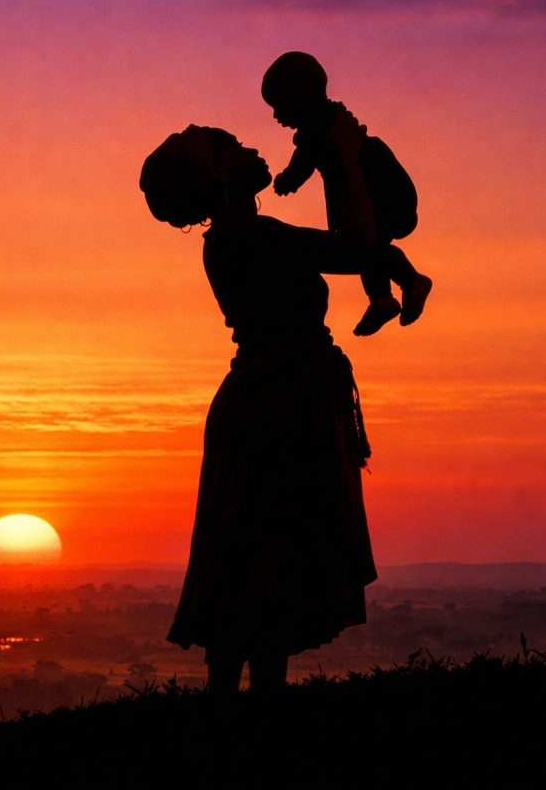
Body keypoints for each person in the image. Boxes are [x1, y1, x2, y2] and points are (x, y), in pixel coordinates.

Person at [138, 109, 381, 694]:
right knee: (269, 548)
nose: (250, 147)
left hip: (266, 395)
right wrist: (342, 158)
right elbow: (360, 250)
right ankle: (252, 701)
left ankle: (242, 698)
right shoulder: (253, 236)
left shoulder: (235, 239)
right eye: (232, 146)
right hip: (280, 401)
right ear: (221, 177)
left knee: (254, 547)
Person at [262, 52, 432, 336]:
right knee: (371, 248)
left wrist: (288, 180)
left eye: (279, 105)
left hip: (373, 186)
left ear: (301, 95)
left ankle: (391, 294)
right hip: (374, 182)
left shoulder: (318, 128)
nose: (276, 115)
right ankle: (396, 291)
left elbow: (305, 159)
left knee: (365, 245)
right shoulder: (328, 121)